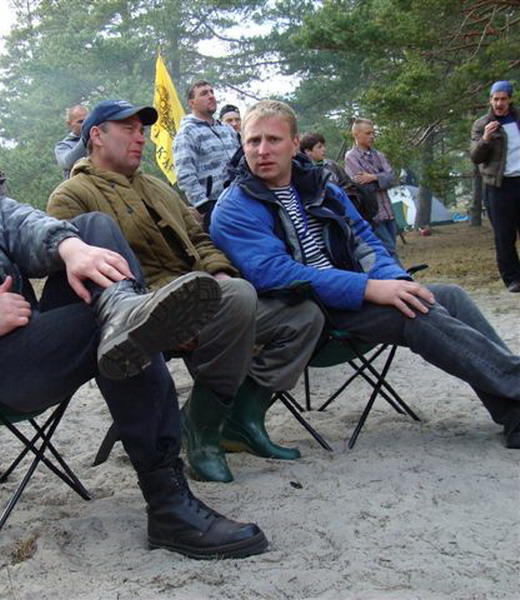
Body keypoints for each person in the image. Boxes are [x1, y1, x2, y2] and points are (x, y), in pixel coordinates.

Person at [0, 105, 270, 559]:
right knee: (112, 331)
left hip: (25, 341)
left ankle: (123, 311)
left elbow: (29, 225)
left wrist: (71, 248)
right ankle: (169, 503)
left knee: (93, 228)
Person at [210, 99, 520, 450]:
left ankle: (515, 417)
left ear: (295, 144)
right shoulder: (234, 207)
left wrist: (396, 282)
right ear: (242, 144)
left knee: (449, 296)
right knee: (417, 312)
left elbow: (364, 241)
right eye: (253, 141)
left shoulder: (320, 186)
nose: (262, 150)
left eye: (273, 140)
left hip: (355, 296)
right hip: (306, 312)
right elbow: (276, 274)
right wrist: (368, 288)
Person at [47, 99, 324, 482]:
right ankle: (205, 437)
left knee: (304, 316)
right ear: (96, 135)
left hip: (208, 299)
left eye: (142, 131)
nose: (140, 138)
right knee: (240, 297)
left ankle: (237, 420)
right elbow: (92, 283)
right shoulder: (71, 197)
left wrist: (220, 274)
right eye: (128, 129)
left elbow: (201, 240)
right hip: (145, 318)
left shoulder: (158, 188)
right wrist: (173, 312)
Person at [470, 80, 520, 293]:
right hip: (499, 186)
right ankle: (513, 279)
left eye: (503, 99)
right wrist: (486, 139)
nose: (499, 103)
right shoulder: (482, 124)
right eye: (495, 99)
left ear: (510, 99)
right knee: (504, 235)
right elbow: (475, 157)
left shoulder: (518, 119)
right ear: (490, 100)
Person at [173, 81, 240, 228]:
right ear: (192, 103)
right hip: (214, 206)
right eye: (204, 93)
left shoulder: (228, 130)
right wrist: (203, 206)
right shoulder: (187, 134)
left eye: (211, 92)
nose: (211, 96)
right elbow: (185, 175)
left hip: (241, 201)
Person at [344, 118, 400, 261]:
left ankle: (394, 274)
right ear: (356, 134)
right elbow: (362, 187)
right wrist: (382, 179)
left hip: (388, 211)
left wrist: (373, 177)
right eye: (368, 133)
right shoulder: (351, 158)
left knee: (392, 248)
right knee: (388, 250)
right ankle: (400, 274)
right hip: (373, 215)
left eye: (373, 133)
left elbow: (392, 178)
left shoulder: (379, 155)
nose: (372, 136)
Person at [301, 132, 378, 225]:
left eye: (323, 146)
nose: (324, 149)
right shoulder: (306, 173)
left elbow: (347, 183)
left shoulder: (331, 165)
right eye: (319, 147)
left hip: (348, 209)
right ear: (308, 151)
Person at [54, 104, 88, 179]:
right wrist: (86, 137)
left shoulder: (98, 139)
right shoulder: (62, 146)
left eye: (87, 120)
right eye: (80, 121)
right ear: (69, 124)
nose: (85, 124)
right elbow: (69, 162)